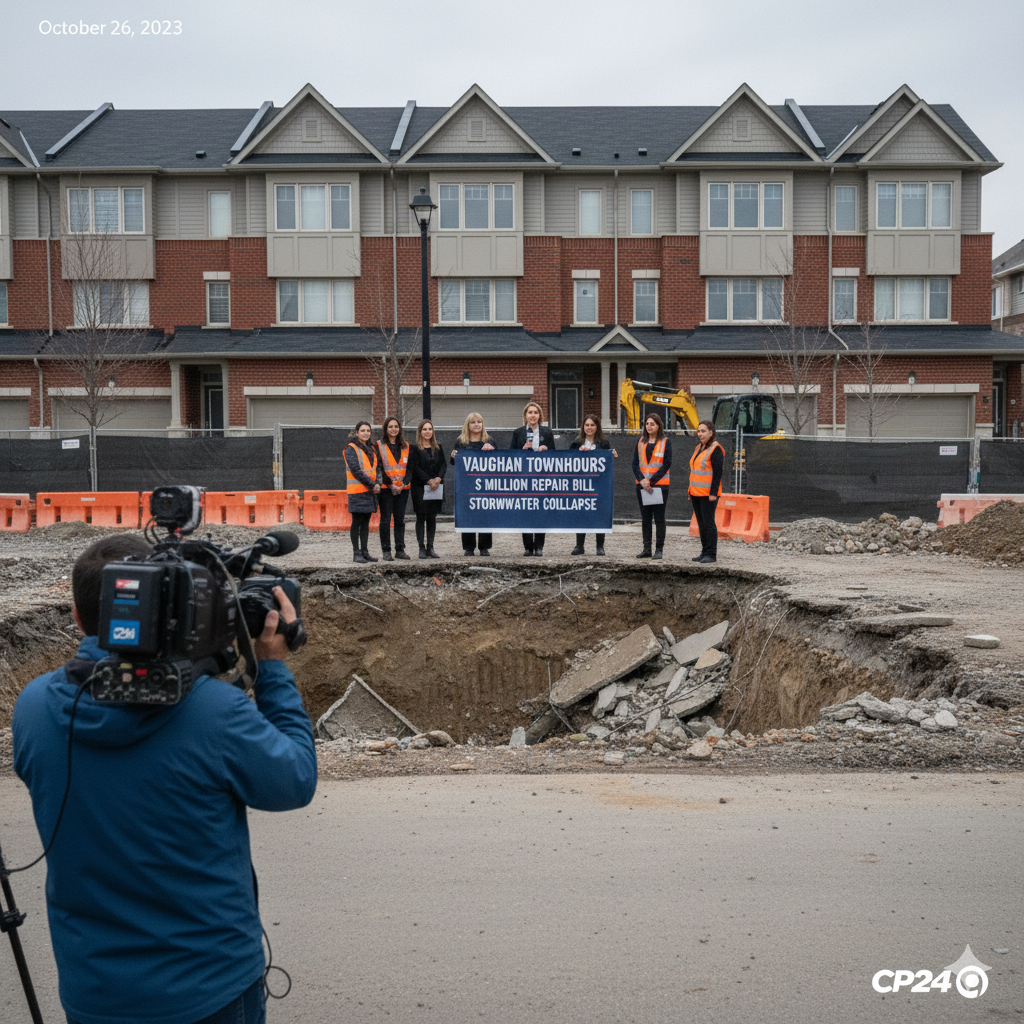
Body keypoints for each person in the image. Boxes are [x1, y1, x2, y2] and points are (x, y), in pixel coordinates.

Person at [12, 534, 316, 1024]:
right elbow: (295, 779)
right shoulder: (214, 712)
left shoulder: (34, 708)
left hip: (95, 992)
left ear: (77, 614)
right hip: (210, 989)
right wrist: (273, 668)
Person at [510, 401, 556, 556]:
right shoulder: (518, 433)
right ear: (525, 415)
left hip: (542, 478)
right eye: (530, 412)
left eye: (535, 412)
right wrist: (522, 450)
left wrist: (546, 450)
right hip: (524, 479)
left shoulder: (547, 432)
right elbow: (510, 456)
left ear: (540, 416)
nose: (533, 415)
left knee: (540, 512)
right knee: (526, 512)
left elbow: (555, 456)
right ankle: (528, 546)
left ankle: (539, 546)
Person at [569, 413, 616, 556]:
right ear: (583, 427)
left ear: (597, 427)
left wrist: (611, 455)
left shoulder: (604, 444)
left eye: (592, 425)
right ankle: (579, 546)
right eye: (587, 425)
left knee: (599, 514)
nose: (589, 428)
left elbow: (607, 465)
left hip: (599, 485)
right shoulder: (576, 443)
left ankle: (600, 546)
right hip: (581, 485)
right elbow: (568, 462)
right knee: (581, 514)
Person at [450, 411, 495, 556]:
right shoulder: (461, 441)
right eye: (473, 422)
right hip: (466, 485)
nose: (477, 425)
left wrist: (493, 452)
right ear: (468, 425)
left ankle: (484, 547)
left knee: (484, 515)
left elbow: (499, 463)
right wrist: (453, 457)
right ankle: (469, 547)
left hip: (485, 485)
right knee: (467, 515)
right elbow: (455, 463)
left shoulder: (489, 441)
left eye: (479, 422)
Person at [632, 412, 672, 559]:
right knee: (646, 518)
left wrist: (651, 481)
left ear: (658, 425)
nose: (649, 426)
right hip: (642, 487)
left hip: (659, 487)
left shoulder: (665, 441)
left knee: (659, 518)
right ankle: (646, 548)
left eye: (652, 424)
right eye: (647, 424)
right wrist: (642, 480)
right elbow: (635, 464)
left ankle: (659, 549)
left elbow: (667, 463)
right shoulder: (640, 441)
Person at [345, 420, 382, 564]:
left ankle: (365, 552)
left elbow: (377, 468)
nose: (366, 433)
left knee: (366, 523)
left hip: (370, 491)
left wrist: (378, 483)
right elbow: (356, 471)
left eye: (368, 431)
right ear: (356, 432)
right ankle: (356, 553)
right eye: (363, 431)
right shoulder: (351, 448)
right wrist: (373, 484)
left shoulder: (371, 448)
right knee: (357, 522)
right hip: (357, 491)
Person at [377, 416, 412, 561]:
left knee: (400, 520)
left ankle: (400, 550)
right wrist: (389, 483)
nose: (393, 429)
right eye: (390, 427)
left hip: (403, 490)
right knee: (385, 520)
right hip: (386, 489)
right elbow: (378, 467)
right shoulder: (378, 445)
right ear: (386, 429)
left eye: (396, 426)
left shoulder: (406, 446)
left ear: (400, 429)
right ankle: (386, 551)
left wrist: (404, 482)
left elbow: (410, 467)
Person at [689, 418, 724, 564]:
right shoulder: (699, 448)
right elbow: (695, 471)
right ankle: (704, 551)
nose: (700, 434)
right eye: (698, 431)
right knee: (702, 524)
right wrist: (690, 490)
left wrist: (713, 493)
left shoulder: (715, 449)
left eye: (703, 431)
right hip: (696, 492)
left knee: (709, 524)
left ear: (711, 432)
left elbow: (717, 473)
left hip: (707, 494)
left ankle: (711, 553)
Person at [410, 418, 446, 559]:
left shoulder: (439, 447)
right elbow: (414, 467)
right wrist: (428, 480)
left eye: (429, 429)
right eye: (424, 429)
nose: (427, 432)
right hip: (420, 487)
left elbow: (443, 465)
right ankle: (421, 548)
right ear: (420, 431)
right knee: (421, 516)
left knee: (432, 517)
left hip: (436, 487)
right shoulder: (414, 448)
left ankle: (430, 547)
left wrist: (438, 478)